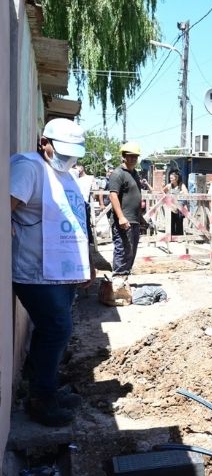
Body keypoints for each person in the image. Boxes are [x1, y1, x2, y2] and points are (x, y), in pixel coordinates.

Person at [10, 118, 95, 426]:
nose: (68, 158)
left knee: (57, 331)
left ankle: (47, 389)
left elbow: (76, 221)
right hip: (34, 272)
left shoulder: (67, 175)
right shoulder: (28, 167)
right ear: (43, 142)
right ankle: (40, 399)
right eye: (62, 150)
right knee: (57, 329)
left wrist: (88, 263)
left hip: (62, 271)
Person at [109, 142, 143, 280]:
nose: (133, 159)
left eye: (135, 156)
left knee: (131, 252)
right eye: (130, 156)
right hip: (123, 221)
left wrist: (141, 217)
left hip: (134, 220)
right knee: (122, 250)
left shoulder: (134, 174)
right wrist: (121, 217)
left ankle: (124, 281)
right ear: (123, 157)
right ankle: (117, 282)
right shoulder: (118, 174)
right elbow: (113, 195)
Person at [162, 169, 188, 237]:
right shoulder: (169, 185)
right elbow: (162, 191)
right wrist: (165, 196)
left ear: (177, 178)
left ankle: (179, 237)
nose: (171, 179)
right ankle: (171, 237)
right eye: (170, 178)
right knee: (171, 222)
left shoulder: (181, 185)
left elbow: (186, 194)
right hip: (171, 207)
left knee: (179, 223)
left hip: (179, 208)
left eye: (172, 178)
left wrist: (181, 194)